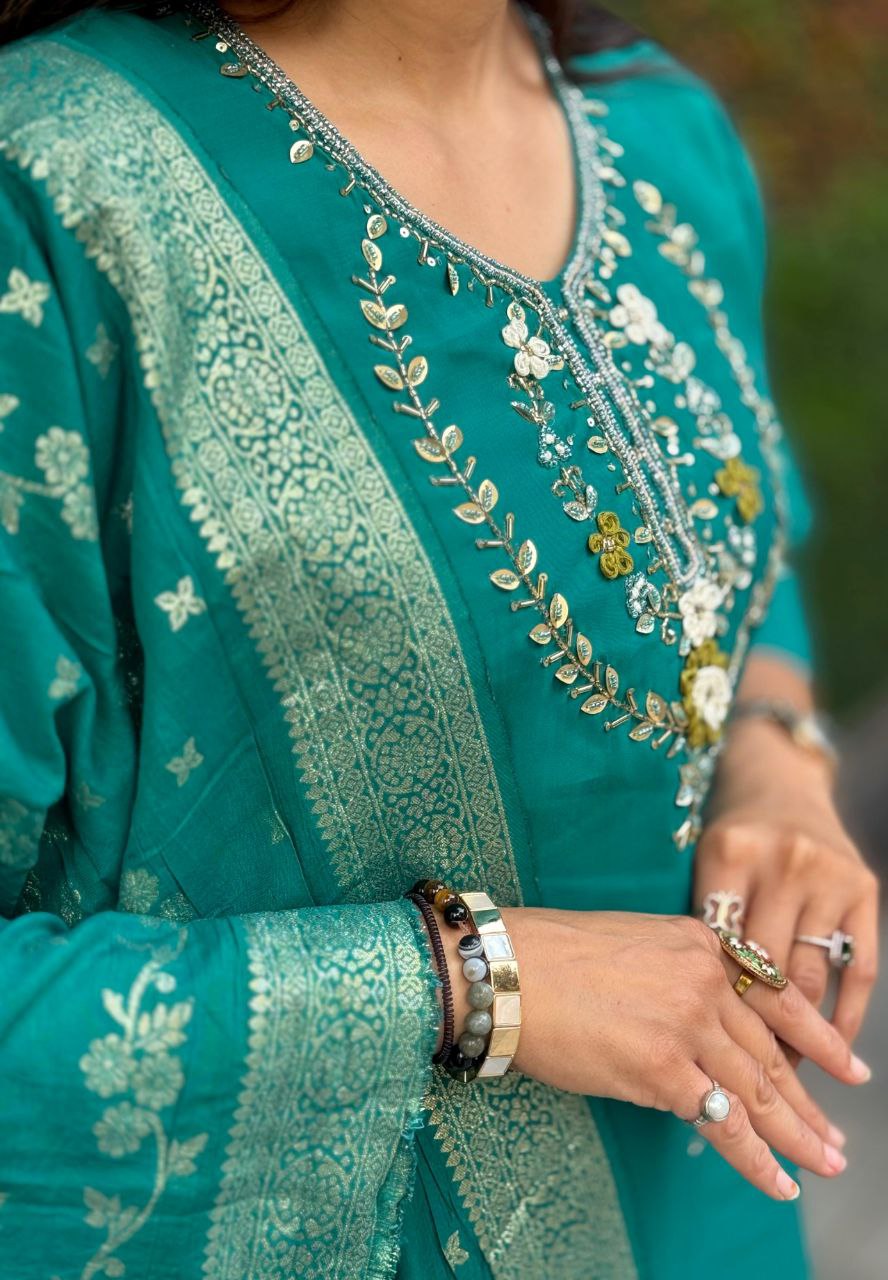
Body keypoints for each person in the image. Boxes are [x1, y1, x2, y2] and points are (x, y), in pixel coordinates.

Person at [0, 1, 878, 1276]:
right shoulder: (53, 193)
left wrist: (776, 752)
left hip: (713, 1215)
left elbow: (746, 550)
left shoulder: (657, 127)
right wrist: (473, 979)